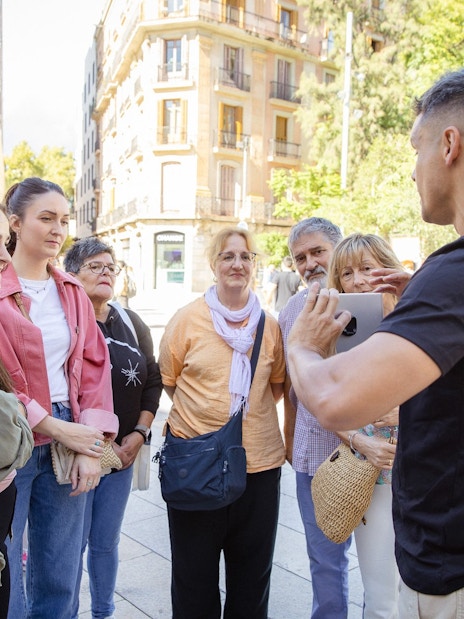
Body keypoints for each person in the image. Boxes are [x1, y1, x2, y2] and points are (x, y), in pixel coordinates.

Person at [287, 68, 464, 618]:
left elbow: (337, 398)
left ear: (450, 144)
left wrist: (303, 347)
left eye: (416, 150)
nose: (413, 171)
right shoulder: (439, 287)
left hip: (448, 571)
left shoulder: (451, 276)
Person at [1, 177, 118, 619]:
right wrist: (51, 425)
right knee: (5, 567)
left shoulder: (71, 291)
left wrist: (92, 446)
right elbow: (2, 377)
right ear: (16, 222)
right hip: (10, 433)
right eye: (46, 218)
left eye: (63, 221)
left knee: (60, 568)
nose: (57, 230)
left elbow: (93, 368)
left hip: (71, 427)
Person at [158, 226, 286, 619]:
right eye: (228, 256)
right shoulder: (187, 320)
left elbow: (276, 385)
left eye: (245, 257)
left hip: (259, 465)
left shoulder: (270, 325)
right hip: (196, 464)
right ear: (214, 265)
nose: (237, 264)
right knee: (193, 576)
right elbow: (169, 381)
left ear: (254, 266)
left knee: (252, 577)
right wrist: (206, 423)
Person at [63, 236, 163, 619]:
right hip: (75, 454)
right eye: (95, 266)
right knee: (70, 546)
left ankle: (104, 611)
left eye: (111, 266)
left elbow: (153, 382)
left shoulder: (131, 322)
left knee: (105, 542)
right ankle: (66, 612)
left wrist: (138, 436)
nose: (106, 272)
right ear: (71, 274)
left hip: (120, 456)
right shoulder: (64, 318)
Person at [327, 233, 403, 618]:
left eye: (367, 268)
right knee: (381, 596)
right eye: (346, 273)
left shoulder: (422, 317)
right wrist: (360, 438)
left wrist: (407, 410)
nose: (357, 280)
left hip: (432, 471)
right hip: (373, 474)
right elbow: (325, 405)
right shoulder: (338, 329)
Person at [278, 217, 350, 619]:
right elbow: (291, 386)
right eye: (299, 257)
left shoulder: (366, 296)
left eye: (317, 251)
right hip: (316, 456)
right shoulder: (292, 310)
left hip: (376, 454)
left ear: (338, 247)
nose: (309, 264)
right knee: (325, 562)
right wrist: (290, 441)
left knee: (385, 560)